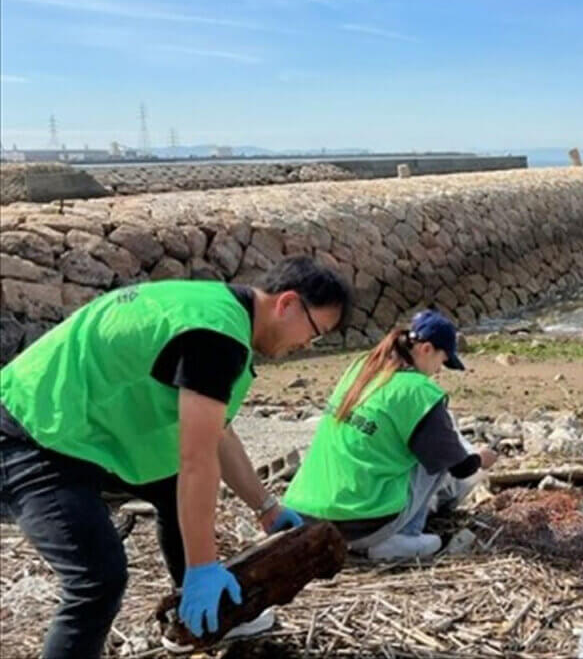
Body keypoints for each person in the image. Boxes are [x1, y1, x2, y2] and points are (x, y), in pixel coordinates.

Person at [0, 255, 351, 657]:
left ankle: (198, 616)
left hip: (82, 430)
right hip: (29, 433)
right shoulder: (216, 336)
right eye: (315, 332)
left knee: (170, 488)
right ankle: (197, 587)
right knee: (97, 580)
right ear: (287, 304)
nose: (307, 345)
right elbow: (197, 460)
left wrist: (266, 506)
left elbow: (217, 431)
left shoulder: (218, 311)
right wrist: (204, 565)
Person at [283, 310, 497, 561]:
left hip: (303, 514)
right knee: (435, 453)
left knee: (416, 439)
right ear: (426, 349)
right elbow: (459, 467)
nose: (438, 371)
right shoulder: (418, 391)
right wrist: (481, 459)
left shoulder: (363, 367)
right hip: (358, 525)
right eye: (442, 361)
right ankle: (404, 536)